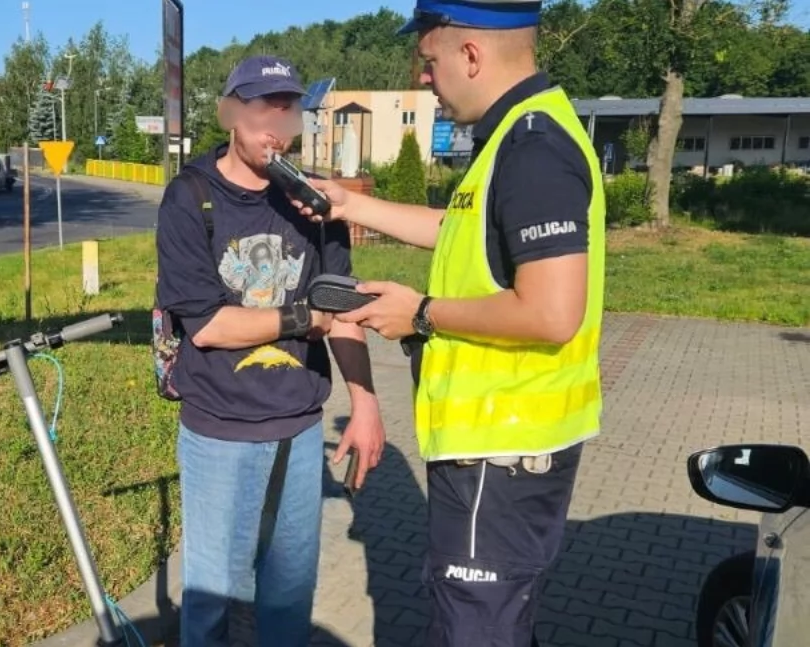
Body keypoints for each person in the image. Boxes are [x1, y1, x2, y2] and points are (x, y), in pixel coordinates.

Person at [291, 3, 606, 645]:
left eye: (430, 62)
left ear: (471, 56)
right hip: (498, 449)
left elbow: (552, 312)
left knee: (477, 629)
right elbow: (460, 231)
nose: (425, 78)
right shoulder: (513, 135)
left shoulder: (533, 147)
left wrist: (422, 314)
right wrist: (353, 204)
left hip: (501, 453)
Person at [155, 54, 387, 647]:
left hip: (301, 430)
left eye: (288, 109)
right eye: (261, 107)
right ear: (232, 113)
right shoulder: (190, 198)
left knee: (288, 595)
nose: (275, 124)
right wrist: (304, 316)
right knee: (212, 594)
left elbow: (345, 309)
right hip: (220, 431)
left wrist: (365, 404)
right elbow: (207, 326)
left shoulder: (316, 204)